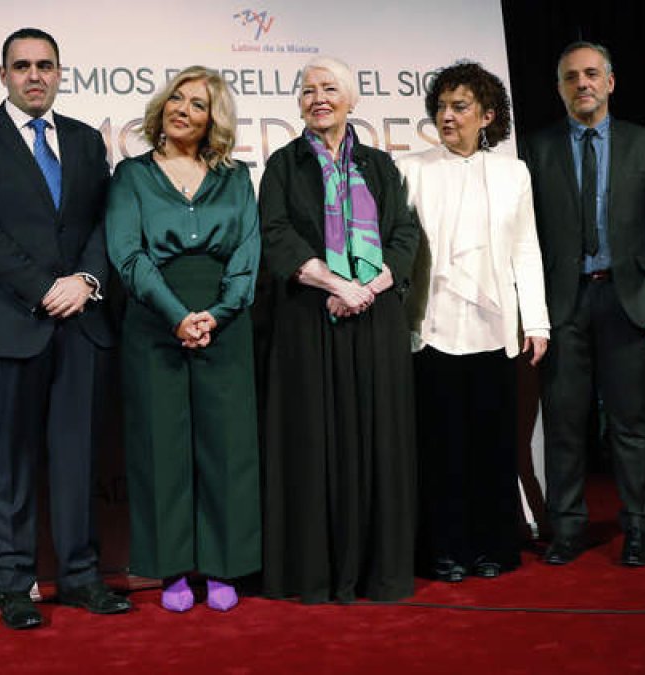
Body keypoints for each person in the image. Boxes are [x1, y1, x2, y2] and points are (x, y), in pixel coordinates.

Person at [0, 27, 131, 630]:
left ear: (58, 72)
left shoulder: (81, 140)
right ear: (2, 75)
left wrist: (87, 282)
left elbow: (108, 222)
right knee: (13, 462)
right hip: (9, 324)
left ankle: (80, 577)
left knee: (76, 459)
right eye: (21, 65)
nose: (34, 75)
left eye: (45, 65)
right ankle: (15, 583)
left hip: (81, 322)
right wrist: (42, 287)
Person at [257, 56, 420, 603]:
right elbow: (277, 238)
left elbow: (404, 237)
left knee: (381, 444)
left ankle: (381, 572)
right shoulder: (282, 166)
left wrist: (365, 289)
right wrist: (334, 285)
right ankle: (317, 574)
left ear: (351, 100)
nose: (318, 98)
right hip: (309, 322)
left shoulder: (379, 166)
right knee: (314, 445)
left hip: (376, 322)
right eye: (308, 90)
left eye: (329, 89)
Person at [106, 66, 261, 613]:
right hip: (154, 319)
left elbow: (247, 256)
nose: (182, 110)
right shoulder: (131, 175)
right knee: (161, 448)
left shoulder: (238, 178)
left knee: (226, 448)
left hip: (225, 323)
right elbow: (127, 255)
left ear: (212, 120)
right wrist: (176, 315)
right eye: (177, 98)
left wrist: (215, 315)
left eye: (197, 104)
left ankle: (221, 567)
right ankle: (172, 570)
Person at [522, 41, 645, 567]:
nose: (582, 83)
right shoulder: (539, 148)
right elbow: (529, 236)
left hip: (628, 298)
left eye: (591, 74)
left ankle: (639, 527)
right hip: (564, 303)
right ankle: (567, 529)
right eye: (571, 77)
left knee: (631, 424)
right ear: (560, 87)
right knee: (565, 423)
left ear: (610, 81)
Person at [396, 61, 550, 582]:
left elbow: (526, 249)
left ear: (486, 115)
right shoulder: (412, 169)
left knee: (492, 442)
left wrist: (538, 322)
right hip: (431, 326)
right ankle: (443, 549)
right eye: (440, 106)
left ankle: (494, 547)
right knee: (440, 445)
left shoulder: (514, 172)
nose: (446, 115)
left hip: (494, 328)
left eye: (459, 107)